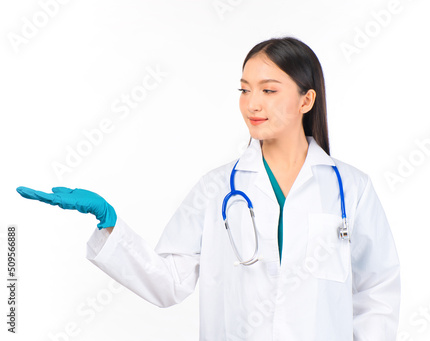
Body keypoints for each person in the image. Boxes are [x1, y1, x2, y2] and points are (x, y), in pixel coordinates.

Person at [16, 36, 400, 340]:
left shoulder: (351, 188)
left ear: (306, 99)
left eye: (268, 90)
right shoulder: (217, 188)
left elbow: (377, 291)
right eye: (244, 90)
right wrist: (110, 222)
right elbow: (169, 283)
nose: (252, 104)